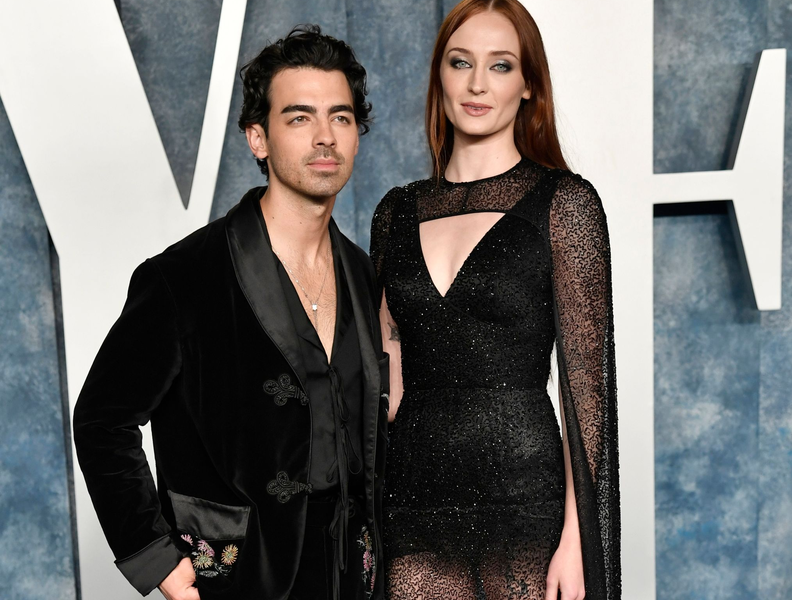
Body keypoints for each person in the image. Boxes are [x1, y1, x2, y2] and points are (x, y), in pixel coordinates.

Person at [74, 25, 389, 600]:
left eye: (340, 117)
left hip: (354, 574)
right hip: (237, 575)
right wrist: (157, 561)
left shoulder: (368, 276)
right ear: (257, 138)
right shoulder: (183, 277)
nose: (325, 137)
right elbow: (101, 421)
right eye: (299, 117)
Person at [369, 1, 620, 599]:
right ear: (440, 76)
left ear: (529, 84)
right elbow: (388, 373)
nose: (478, 84)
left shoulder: (565, 204)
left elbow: (589, 390)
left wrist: (578, 542)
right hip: (414, 506)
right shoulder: (395, 212)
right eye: (461, 63)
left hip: (527, 511)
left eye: (501, 66)